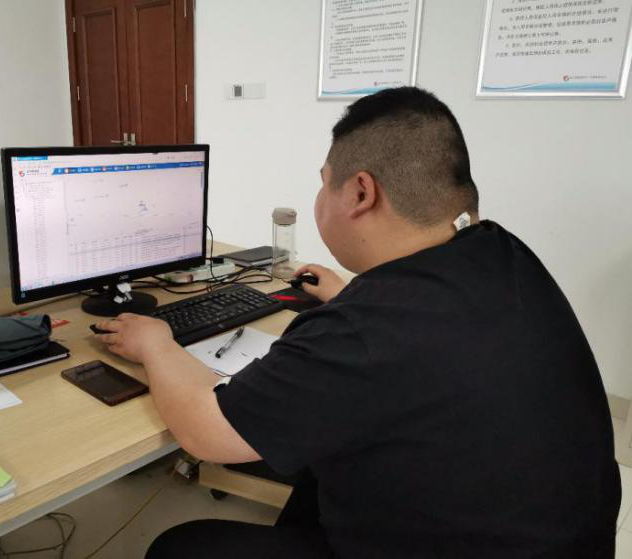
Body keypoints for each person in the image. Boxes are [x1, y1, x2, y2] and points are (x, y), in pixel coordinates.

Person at [95, 87, 621, 558]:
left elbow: (208, 434)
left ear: (361, 193)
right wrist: (350, 298)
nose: (320, 197)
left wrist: (156, 342)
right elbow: (421, 335)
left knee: (179, 547)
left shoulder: (368, 329)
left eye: (325, 184)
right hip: (565, 538)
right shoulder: (503, 252)